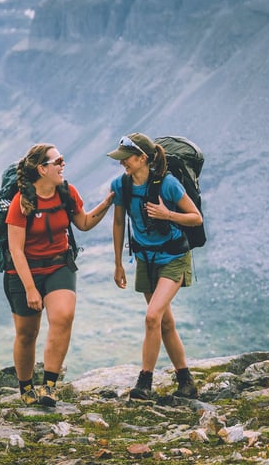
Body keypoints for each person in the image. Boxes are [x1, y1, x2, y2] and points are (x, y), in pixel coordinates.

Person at [5, 143, 114, 406]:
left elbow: (84, 223)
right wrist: (31, 289)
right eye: (58, 161)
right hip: (24, 272)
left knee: (63, 316)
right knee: (27, 333)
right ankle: (26, 388)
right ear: (42, 169)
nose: (63, 165)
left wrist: (109, 201)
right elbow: (16, 250)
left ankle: (50, 386)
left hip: (58, 266)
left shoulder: (67, 192)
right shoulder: (22, 201)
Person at [107, 133, 204, 400]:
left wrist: (167, 214)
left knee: (152, 317)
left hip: (173, 258)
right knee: (164, 322)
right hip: (145, 259)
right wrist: (118, 264)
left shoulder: (169, 185)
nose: (122, 164)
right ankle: (186, 381)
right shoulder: (121, 185)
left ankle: (144, 383)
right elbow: (117, 224)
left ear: (142, 159)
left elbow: (196, 217)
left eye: (126, 159)